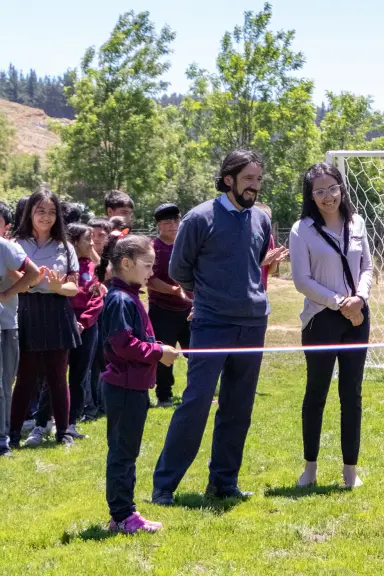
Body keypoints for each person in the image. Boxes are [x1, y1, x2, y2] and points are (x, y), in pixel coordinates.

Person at [151, 149, 273, 505]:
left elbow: (254, 265)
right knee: (197, 402)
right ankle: (165, 486)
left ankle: (223, 481)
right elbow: (178, 270)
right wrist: (206, 296)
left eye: (258, 179)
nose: (254, 186)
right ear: (228, 179)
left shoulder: (261, 220)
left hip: (253, 324)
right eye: (248, 179)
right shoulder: (198, 218)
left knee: (239, 405)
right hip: (211, 323)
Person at [289, 163, 373, 489]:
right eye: (319, 191)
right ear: (311, 196)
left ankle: (350, 470)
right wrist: (340, 302)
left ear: (342, 188)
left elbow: (367, 266)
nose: (328, 197)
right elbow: (301, 280)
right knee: (317, 393)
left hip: (358, 318)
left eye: (332, 188)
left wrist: (359, 300)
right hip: (320, 319)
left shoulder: (357, 223)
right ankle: (310, 467)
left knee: (351, 394)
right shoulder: (302, 229)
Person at [100, 235, 178, 534]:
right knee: (122, 452)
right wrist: (158, 353)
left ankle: (124, 512)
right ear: (126, 263)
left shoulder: (129, 296)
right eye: (147, 266)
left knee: (127, 451)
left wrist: (156, 346)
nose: (151, 273)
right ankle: (122, 516)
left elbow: (135, 340)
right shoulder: (120, 299)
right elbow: (122, 344)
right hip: (124, 389)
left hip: (133, 388)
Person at [8, 189, 83, 448]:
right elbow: (10, 279)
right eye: (40, 210)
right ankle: (13, 434)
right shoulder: (16, 243)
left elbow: (74, 287)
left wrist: (57, 288)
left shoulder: (66, 246)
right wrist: (29, 283)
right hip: (26, 310)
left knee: (57, 378)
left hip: (57, 311)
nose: (46, 217)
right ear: (30, 213)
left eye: (52, 212)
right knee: (25, 378)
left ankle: (64, 432)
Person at [146, 203, 192, 408]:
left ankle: (199, 392)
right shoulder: (153, 249)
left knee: (197, 352)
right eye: (167, 222)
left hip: (190, 310)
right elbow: (151, 280)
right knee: (164, 355)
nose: (173, 225)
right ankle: (164, 396)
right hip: (162, 310)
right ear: (159, 226)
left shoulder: (187, 244)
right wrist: (174, 290)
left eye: (176, 220)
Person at [0, 224, 40, 457]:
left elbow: (33, 273)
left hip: (4, 326)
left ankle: (2, 441)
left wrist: (6, 294)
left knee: (3, 386)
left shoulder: (6, 247)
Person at [66, 223, 104, 439]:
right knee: (55, 375)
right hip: (64, 325)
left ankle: (72, 421)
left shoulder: (93, 267)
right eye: (87, 240)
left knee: (80, 375)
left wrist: (84, 322)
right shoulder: (63, 266)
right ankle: (48, 419)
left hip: (88, 328)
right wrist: (72, 321)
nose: (92, 244)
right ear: (73, 242)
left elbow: (97, 298)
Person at [81, 217, 114, 420]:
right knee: (89, 362)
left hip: (108, 314)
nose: (96, 240)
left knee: (104, 360)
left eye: (101, 235)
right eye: (92, 235)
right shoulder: (82, 260)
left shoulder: (113, 256)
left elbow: (107, 274)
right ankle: (88, 405)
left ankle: (102, 403)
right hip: (90, 315)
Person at [255, 202, 288, 290]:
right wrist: (261, 261)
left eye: (268, 219)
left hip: (262, 292)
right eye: (262, 218)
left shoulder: (269, 238)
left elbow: (269, 271)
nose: (265, 222)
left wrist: (274, 262)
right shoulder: (244, 238)